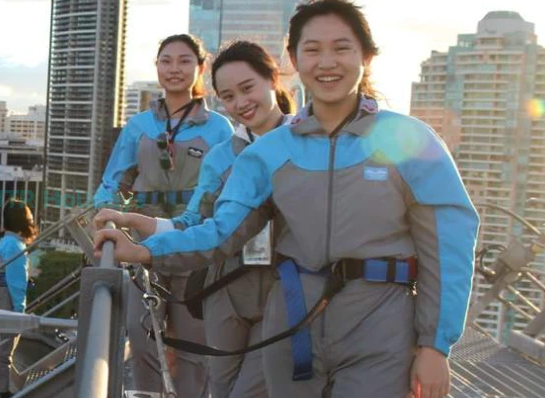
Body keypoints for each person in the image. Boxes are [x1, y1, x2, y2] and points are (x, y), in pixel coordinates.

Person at [93, 1, 479, 397]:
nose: (326, 62)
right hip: (293, 324)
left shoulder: (409, 140)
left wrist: (435, 345)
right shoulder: (269, 152)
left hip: (381, 326)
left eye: (341, 47)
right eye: (312, 50)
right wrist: (144, 251)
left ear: (366, 56)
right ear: (293, 60)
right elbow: (220, 232)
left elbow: (447, 247)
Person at [98, 40, 295, 398]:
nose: (240, 102)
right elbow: (195, 220)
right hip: (222, 277)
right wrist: (130, 221)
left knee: (236, 380)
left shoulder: (305, 142)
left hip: (285, 283)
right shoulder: (220, 155)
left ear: (273, 79)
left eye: (247, 88)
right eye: (229, 96)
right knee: (213, 379)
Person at [93, 32, 234, 397]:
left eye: (185, 61)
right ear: (156, 66)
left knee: (192, 348)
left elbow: (229, 186)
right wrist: (103, 214)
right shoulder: (139, 126)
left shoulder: (219, 127)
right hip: (142, 243)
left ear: (200, 68)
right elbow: (112, 181)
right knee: (142, 340)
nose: (174, 69)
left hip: (194, 244)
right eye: (166, 61)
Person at [0, 198, 38, 397]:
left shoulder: (5, 241)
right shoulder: (16, 246)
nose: (32, 221)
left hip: (1, 294)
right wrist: (20, 311)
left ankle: (1, 388)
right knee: (5, 348)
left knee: (2, 346)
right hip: (7, 297)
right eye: (29, 218)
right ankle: (1, 391)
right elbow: (16, 283)